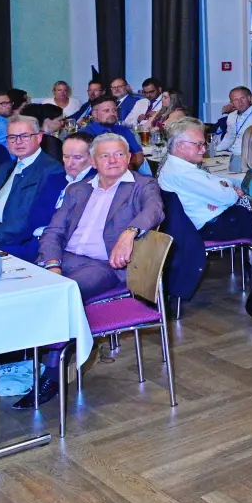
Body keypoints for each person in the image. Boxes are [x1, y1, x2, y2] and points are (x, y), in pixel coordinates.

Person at [33, 132, 164, 407]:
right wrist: (53, 264)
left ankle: (52, 372)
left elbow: (154, 211)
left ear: (129, 158)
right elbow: (53, 231)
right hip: (65, 258)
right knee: (18, 288)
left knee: (61, 296)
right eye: (105, 155)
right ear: (93, 161)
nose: (113, 160)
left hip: (104, 266)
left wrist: (130, 233)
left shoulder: (143, 185)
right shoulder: (77, 190)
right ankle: (9, 362)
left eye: (119, 154)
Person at [0, 115, 66, 260]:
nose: (18, 142)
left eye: (24, 136)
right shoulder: (6, 166)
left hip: (14, 241)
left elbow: (33, 218)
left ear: (39, 137)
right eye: (12, 137)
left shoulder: (51, 170)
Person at [159, 118, 252, 240]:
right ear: (180, 145)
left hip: (204, 223)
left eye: (203, 144)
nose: (204, 150)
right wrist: (227, 195)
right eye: (198, 144)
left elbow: (220, 184)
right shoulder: (183, 173)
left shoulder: (173, 166)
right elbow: (228, 197)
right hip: (210, 227)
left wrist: (221, 194)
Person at [214, 86, 252, 156]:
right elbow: (228, 137)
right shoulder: (231, 116)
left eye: (242, 98)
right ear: (231, 103)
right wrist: (216, 151)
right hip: (229, 154)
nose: (240, 102)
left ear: (249, 98)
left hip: (249, 156)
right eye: (235, 100)